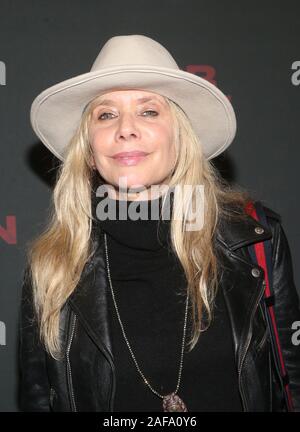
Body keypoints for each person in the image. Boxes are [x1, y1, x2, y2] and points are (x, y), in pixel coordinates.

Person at [19, 34, 300, 412]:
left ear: (181, 137)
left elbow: (291, 385)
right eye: (106, 114)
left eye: (148, 111)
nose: (126, 128)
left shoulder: (254, 241)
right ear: (87, 149)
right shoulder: (51, 268)